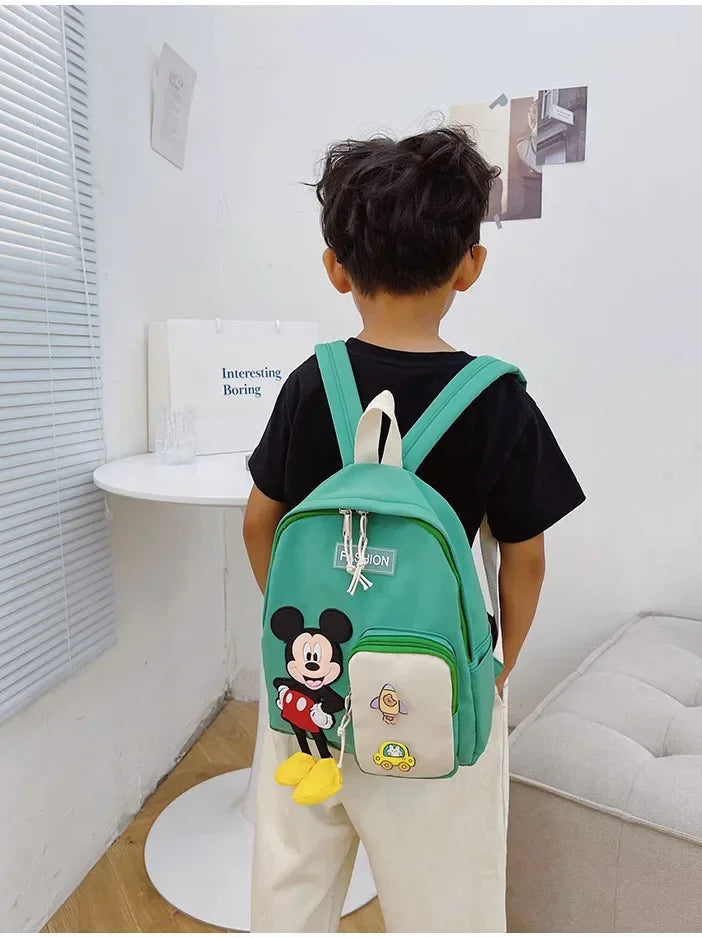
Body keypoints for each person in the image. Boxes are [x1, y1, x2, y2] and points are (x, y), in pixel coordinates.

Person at [243, 125, 585, 933]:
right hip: (432, 695)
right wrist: (496, 669)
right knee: (446, 901)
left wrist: (307, 627)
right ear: (470, 265)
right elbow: (526, 560)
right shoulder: (498, 401)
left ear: (336, 268)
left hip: (310, 693)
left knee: (289, 880)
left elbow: (261, 524)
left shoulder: (309, 384)